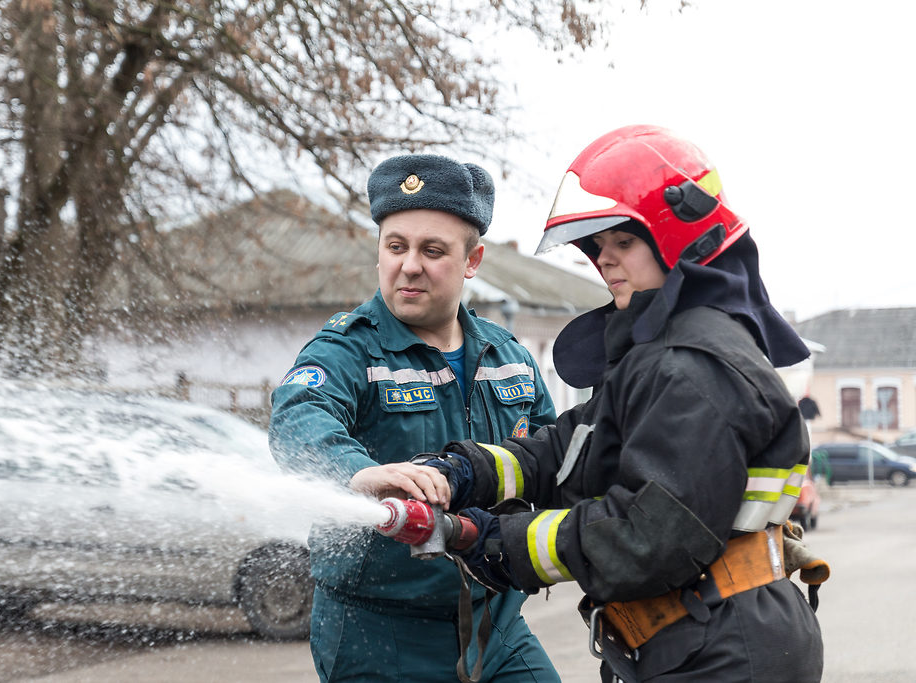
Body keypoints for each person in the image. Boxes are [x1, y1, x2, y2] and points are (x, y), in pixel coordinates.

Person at [400, 126, 828, 682]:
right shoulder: (659, 351)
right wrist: (464, 471)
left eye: (623, 242)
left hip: (723, 650)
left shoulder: (692, 366)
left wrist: (494, 540)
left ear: (678, 238)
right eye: (598, 247)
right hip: (697, 637)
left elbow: (649, 536)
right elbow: (570, 447)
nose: (604, 261)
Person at [268, 154, 561, 682]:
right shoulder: (347, 350)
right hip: (379, 636)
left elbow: (556, 457)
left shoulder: (509, 356)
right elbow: (299, 416)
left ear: (473, 260)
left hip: (497, 626)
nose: (409, 265)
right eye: (396, 246)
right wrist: (357, 474)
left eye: (433, 251)